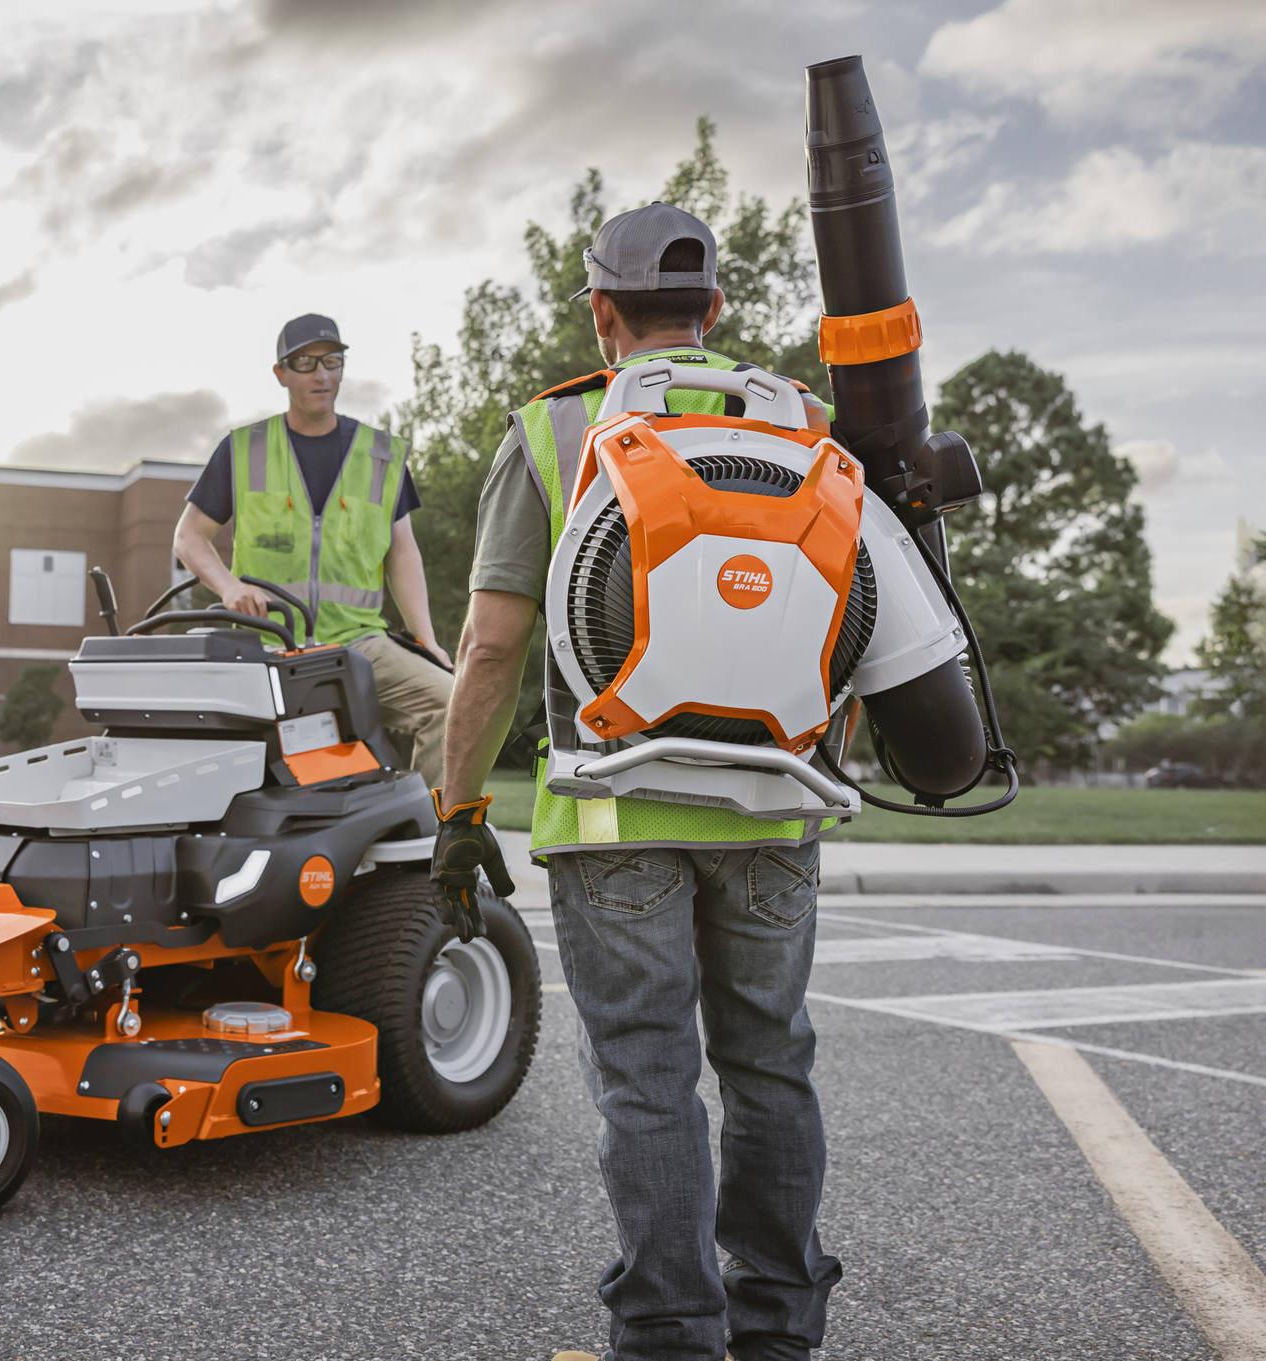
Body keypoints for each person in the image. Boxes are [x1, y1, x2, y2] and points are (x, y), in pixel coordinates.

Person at [431, 204, 843, 1361]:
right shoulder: (804, 422)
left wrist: (458, 811)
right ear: (715, 309)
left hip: (614, 812)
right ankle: (779, 1326)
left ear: (603, 313)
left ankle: (668, 1333)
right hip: (773, 802)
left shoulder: (560, 429)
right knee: (772, 1061)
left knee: (650, 1080)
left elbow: (492, 650)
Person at [173, 313, 454, 785]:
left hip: (361, 645)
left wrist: (426, 639)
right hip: (269, 645)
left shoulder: (382, 454)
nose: (322, 375)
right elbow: (189, 536)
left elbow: (402, 552)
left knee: (451, 701)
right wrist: (227, 586)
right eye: (305, 363)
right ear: (281, 373)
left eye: (332, 361)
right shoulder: (244, 449)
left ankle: (432, 836)